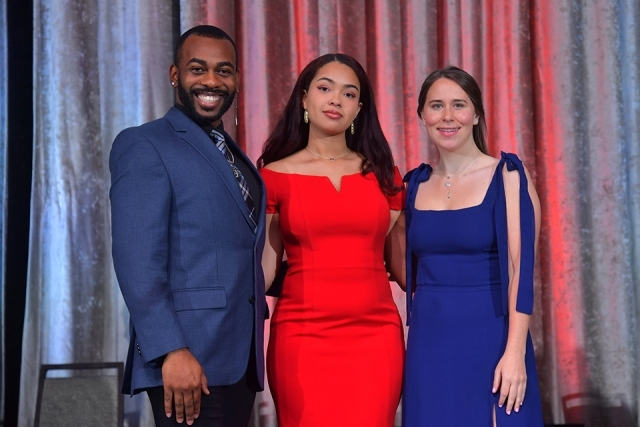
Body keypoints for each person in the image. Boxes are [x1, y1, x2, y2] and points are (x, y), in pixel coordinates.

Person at [109, 25, 266, 427]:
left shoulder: (232, 154)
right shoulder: (145, 144)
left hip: (238, 359)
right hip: (186, 361)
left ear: (237, 79)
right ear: (175, 74)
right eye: (198, 69)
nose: (211, 81)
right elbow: (137, 261)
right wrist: (170, 350)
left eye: (223, 70)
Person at [258, 53, 405, 426]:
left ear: (359, 109)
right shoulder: (273, 177)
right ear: (304, 99)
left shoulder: (385, 176)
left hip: (376, 338)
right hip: (301, 338)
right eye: (325, 88)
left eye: (349, 93)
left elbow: (403, 267)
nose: (336, 99)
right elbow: (264, 269)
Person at [399, 66, 544, 426]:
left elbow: (520, 270)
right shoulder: (413, 185)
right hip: (428, 346)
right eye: (436, 106)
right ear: (422, 116)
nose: (447, 116)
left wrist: (515, 353)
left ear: (476, 114)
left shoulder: (507, 175)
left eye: (459, 105)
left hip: (492, 340)